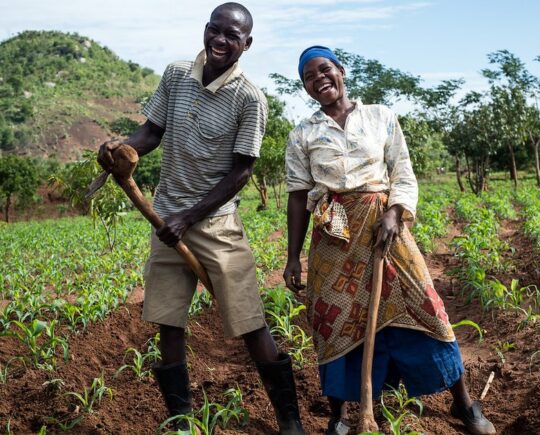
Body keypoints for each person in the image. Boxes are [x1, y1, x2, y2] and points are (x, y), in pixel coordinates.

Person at [98, 4, 304, 434]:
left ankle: (289, 421)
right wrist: (121, 148)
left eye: (232, 36)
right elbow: (151, 132)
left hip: (215, 225)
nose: (220, 40)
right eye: (215, 30)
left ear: (246, 44)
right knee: (168, 323)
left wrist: (190, 217)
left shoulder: (250, 98)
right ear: (206, 29)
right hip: (165, 219)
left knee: (250, 323)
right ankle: (181, 421)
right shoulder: (176, 74)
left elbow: (241, 171)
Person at [283, 46, 496, 435]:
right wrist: (293, 257)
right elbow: (298, 196)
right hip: (335, 238)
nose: (319, 79)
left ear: (341, 71)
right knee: (334, 324)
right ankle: (339, 417)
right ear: (305, 87)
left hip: (386, 230)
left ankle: (464, 403)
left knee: (427, 308)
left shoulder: (380, 116)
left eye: (324, 70)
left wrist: (395, 213)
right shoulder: (303, 133)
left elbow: (403, 172)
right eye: (309, 77)